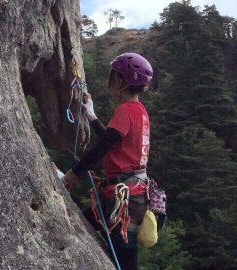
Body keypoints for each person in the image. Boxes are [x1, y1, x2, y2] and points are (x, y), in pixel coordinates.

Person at [63, 52, 153, 270]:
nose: (109, 82)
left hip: (124, 201)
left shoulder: (125, 110)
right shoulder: (139, 110)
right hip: (133, 195)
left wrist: (72, 174)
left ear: (121, 81)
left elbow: (102, 148)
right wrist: (92, 115)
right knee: (82, 223)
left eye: (113, 77)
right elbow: (112, 140)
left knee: (126, 260)